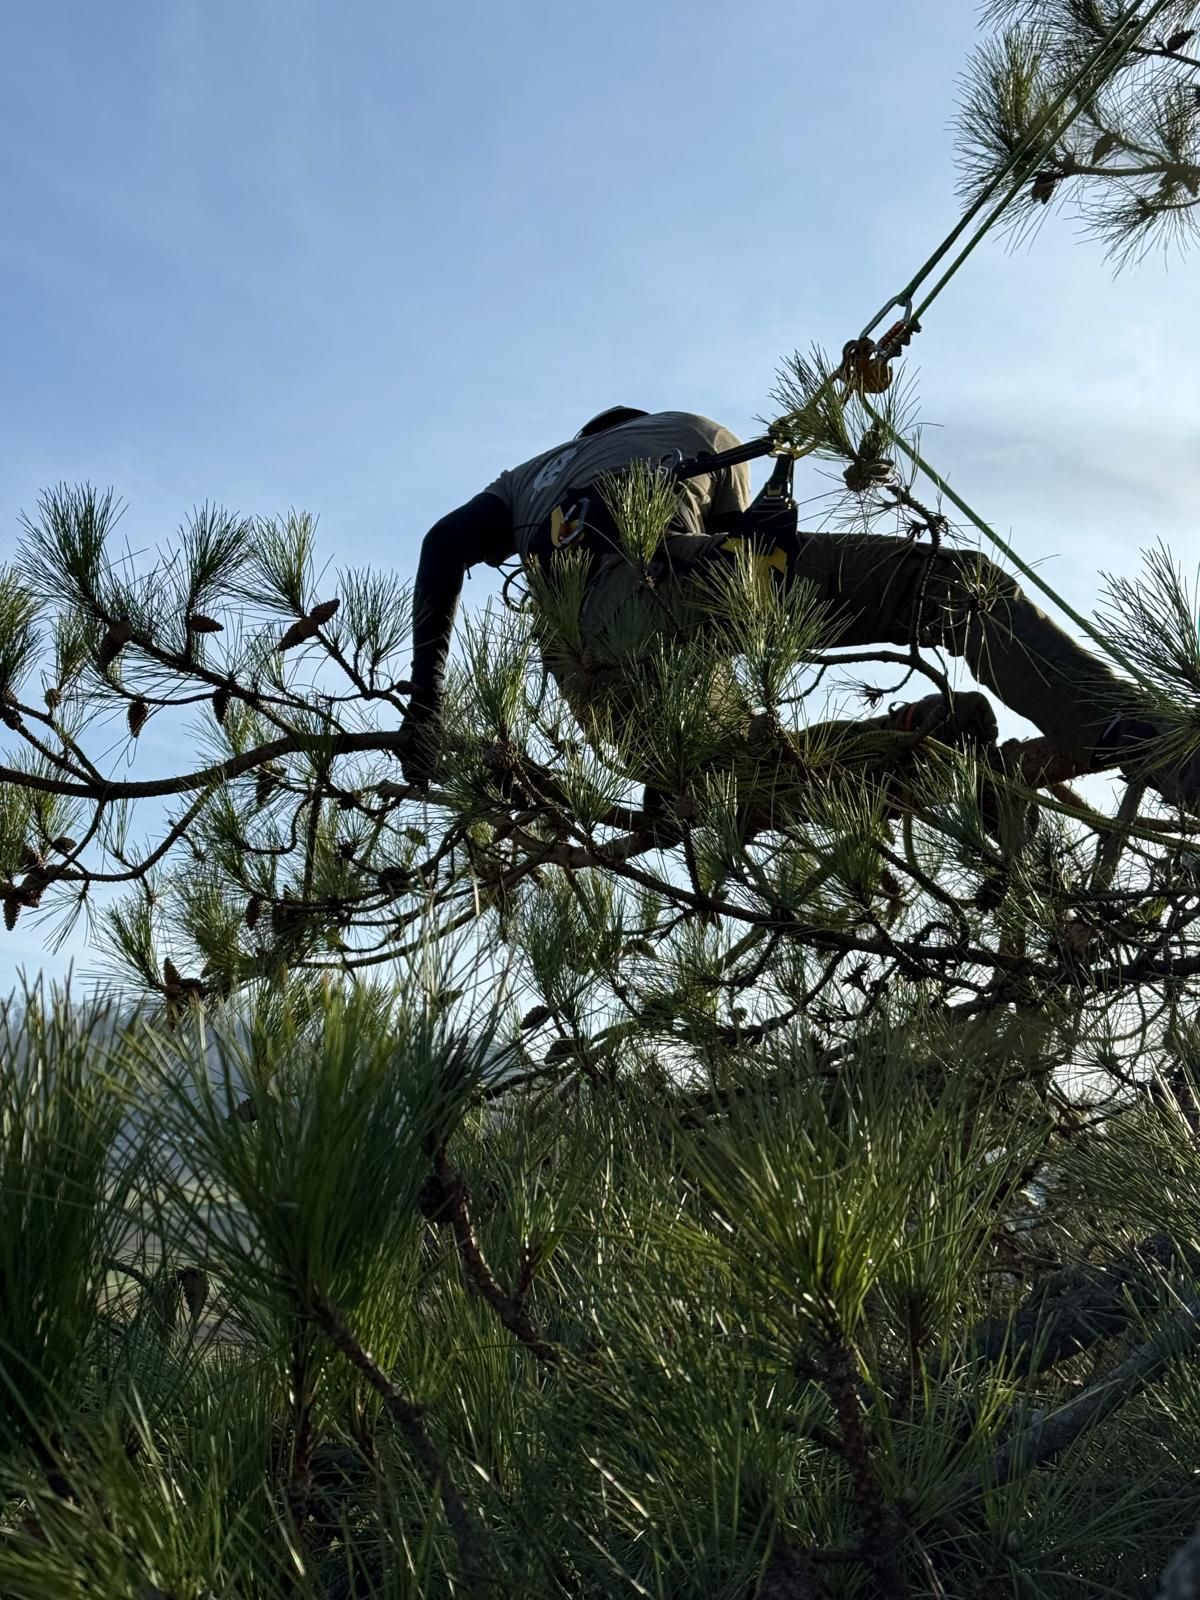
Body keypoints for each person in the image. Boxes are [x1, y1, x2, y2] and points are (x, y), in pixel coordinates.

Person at [396, 406, 1198, 816]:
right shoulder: (691, 430)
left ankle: (921, 745)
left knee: (735, 776)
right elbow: (748, 558)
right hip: (680, 572)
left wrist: (423, 706)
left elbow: (441, 545)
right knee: (950, 594)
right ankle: (1147, 741)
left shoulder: (524, 478)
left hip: (595, 672)